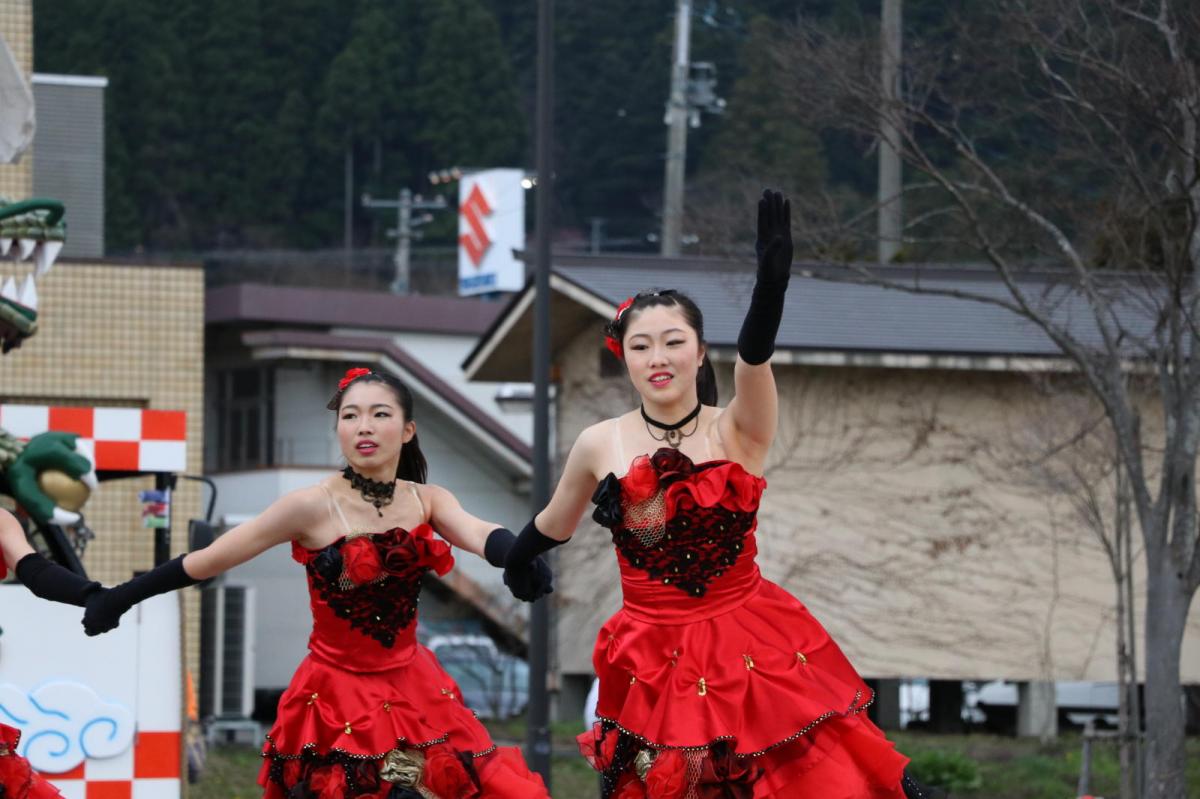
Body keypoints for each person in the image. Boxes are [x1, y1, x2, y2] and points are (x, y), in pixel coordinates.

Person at [502, 191, 941, 798]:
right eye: (641, 345)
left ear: (700, 350)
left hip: (749, 642)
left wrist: (770, 290)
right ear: (624, 359)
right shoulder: (598, 441)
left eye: (673, 341)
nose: (658, 357)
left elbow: (755, 361)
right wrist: (520, 558)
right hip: (651, 655)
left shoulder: (736, 429)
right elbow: (555, 521)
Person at [20, 369, 549, 799]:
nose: (363, 426)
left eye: (380, 414)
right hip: (335, 692)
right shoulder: (309, 505)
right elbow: (209, 558)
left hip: (414, 686)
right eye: (350, 416)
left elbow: (481, 533)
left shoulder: (427, 499)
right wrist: (117, 597)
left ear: (407, 430)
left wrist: (521, 555)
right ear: (339, 429)